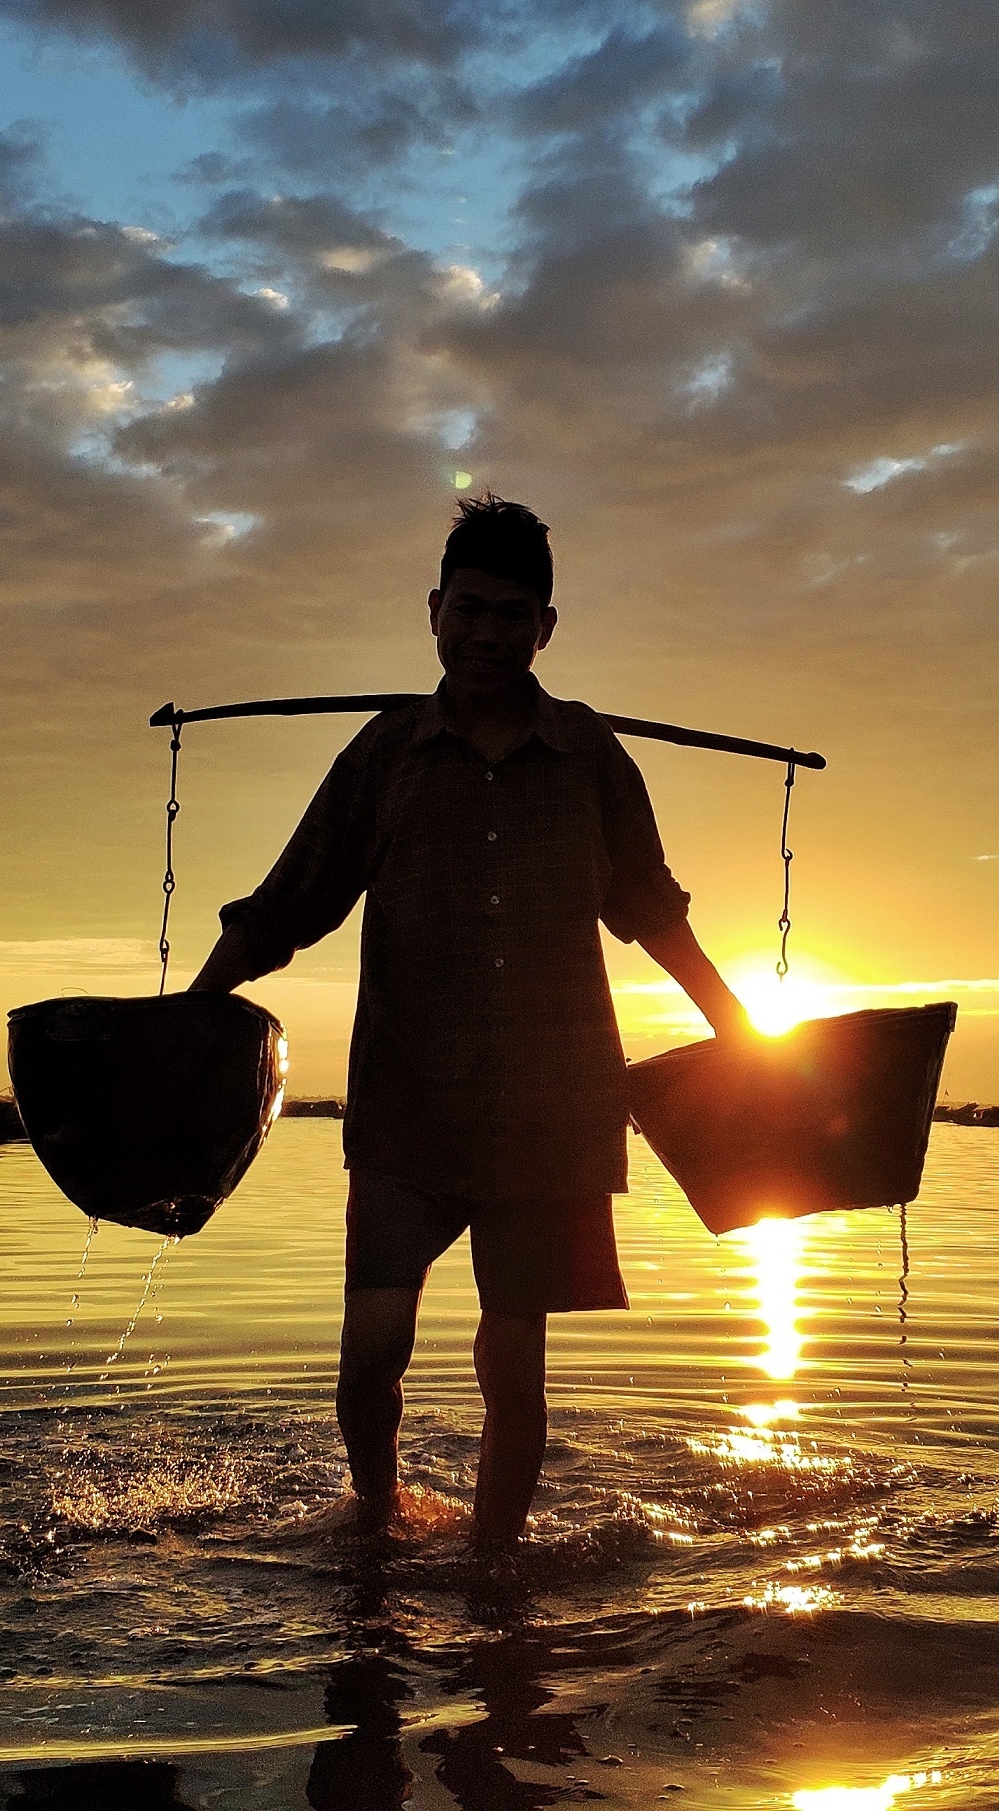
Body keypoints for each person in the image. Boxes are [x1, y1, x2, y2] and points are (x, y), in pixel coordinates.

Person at [190, 495, 750, 1551]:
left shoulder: (588, 756)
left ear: (545, 629)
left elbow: (652, 909)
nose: (487, 633)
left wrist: (740, 1028)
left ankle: (495, 1561)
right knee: (371, 1346)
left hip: (552, 1108)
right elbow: (286, 903)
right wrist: (193, 1009)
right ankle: (376, 1521)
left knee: (514, 1361)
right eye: (470, 609)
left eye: (513, 615)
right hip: (409, 1100)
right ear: (434, 611)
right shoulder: (386, 754)